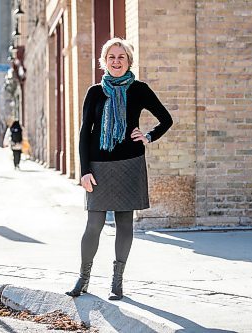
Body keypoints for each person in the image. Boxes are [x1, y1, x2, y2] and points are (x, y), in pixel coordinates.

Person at [66, 38, 173, 300]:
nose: (116, 61)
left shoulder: (139, 89)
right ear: (104, 61)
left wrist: (147, 136)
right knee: (94, 224)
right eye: (111, 57)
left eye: (121, 57)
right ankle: (83, 278)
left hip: (129, 164)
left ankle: (117, 282)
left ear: (129, 61)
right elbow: (84, 134)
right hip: (98, 167)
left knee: (125, 224)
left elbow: (166, 119)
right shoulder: (94, 92)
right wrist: (84, 171)